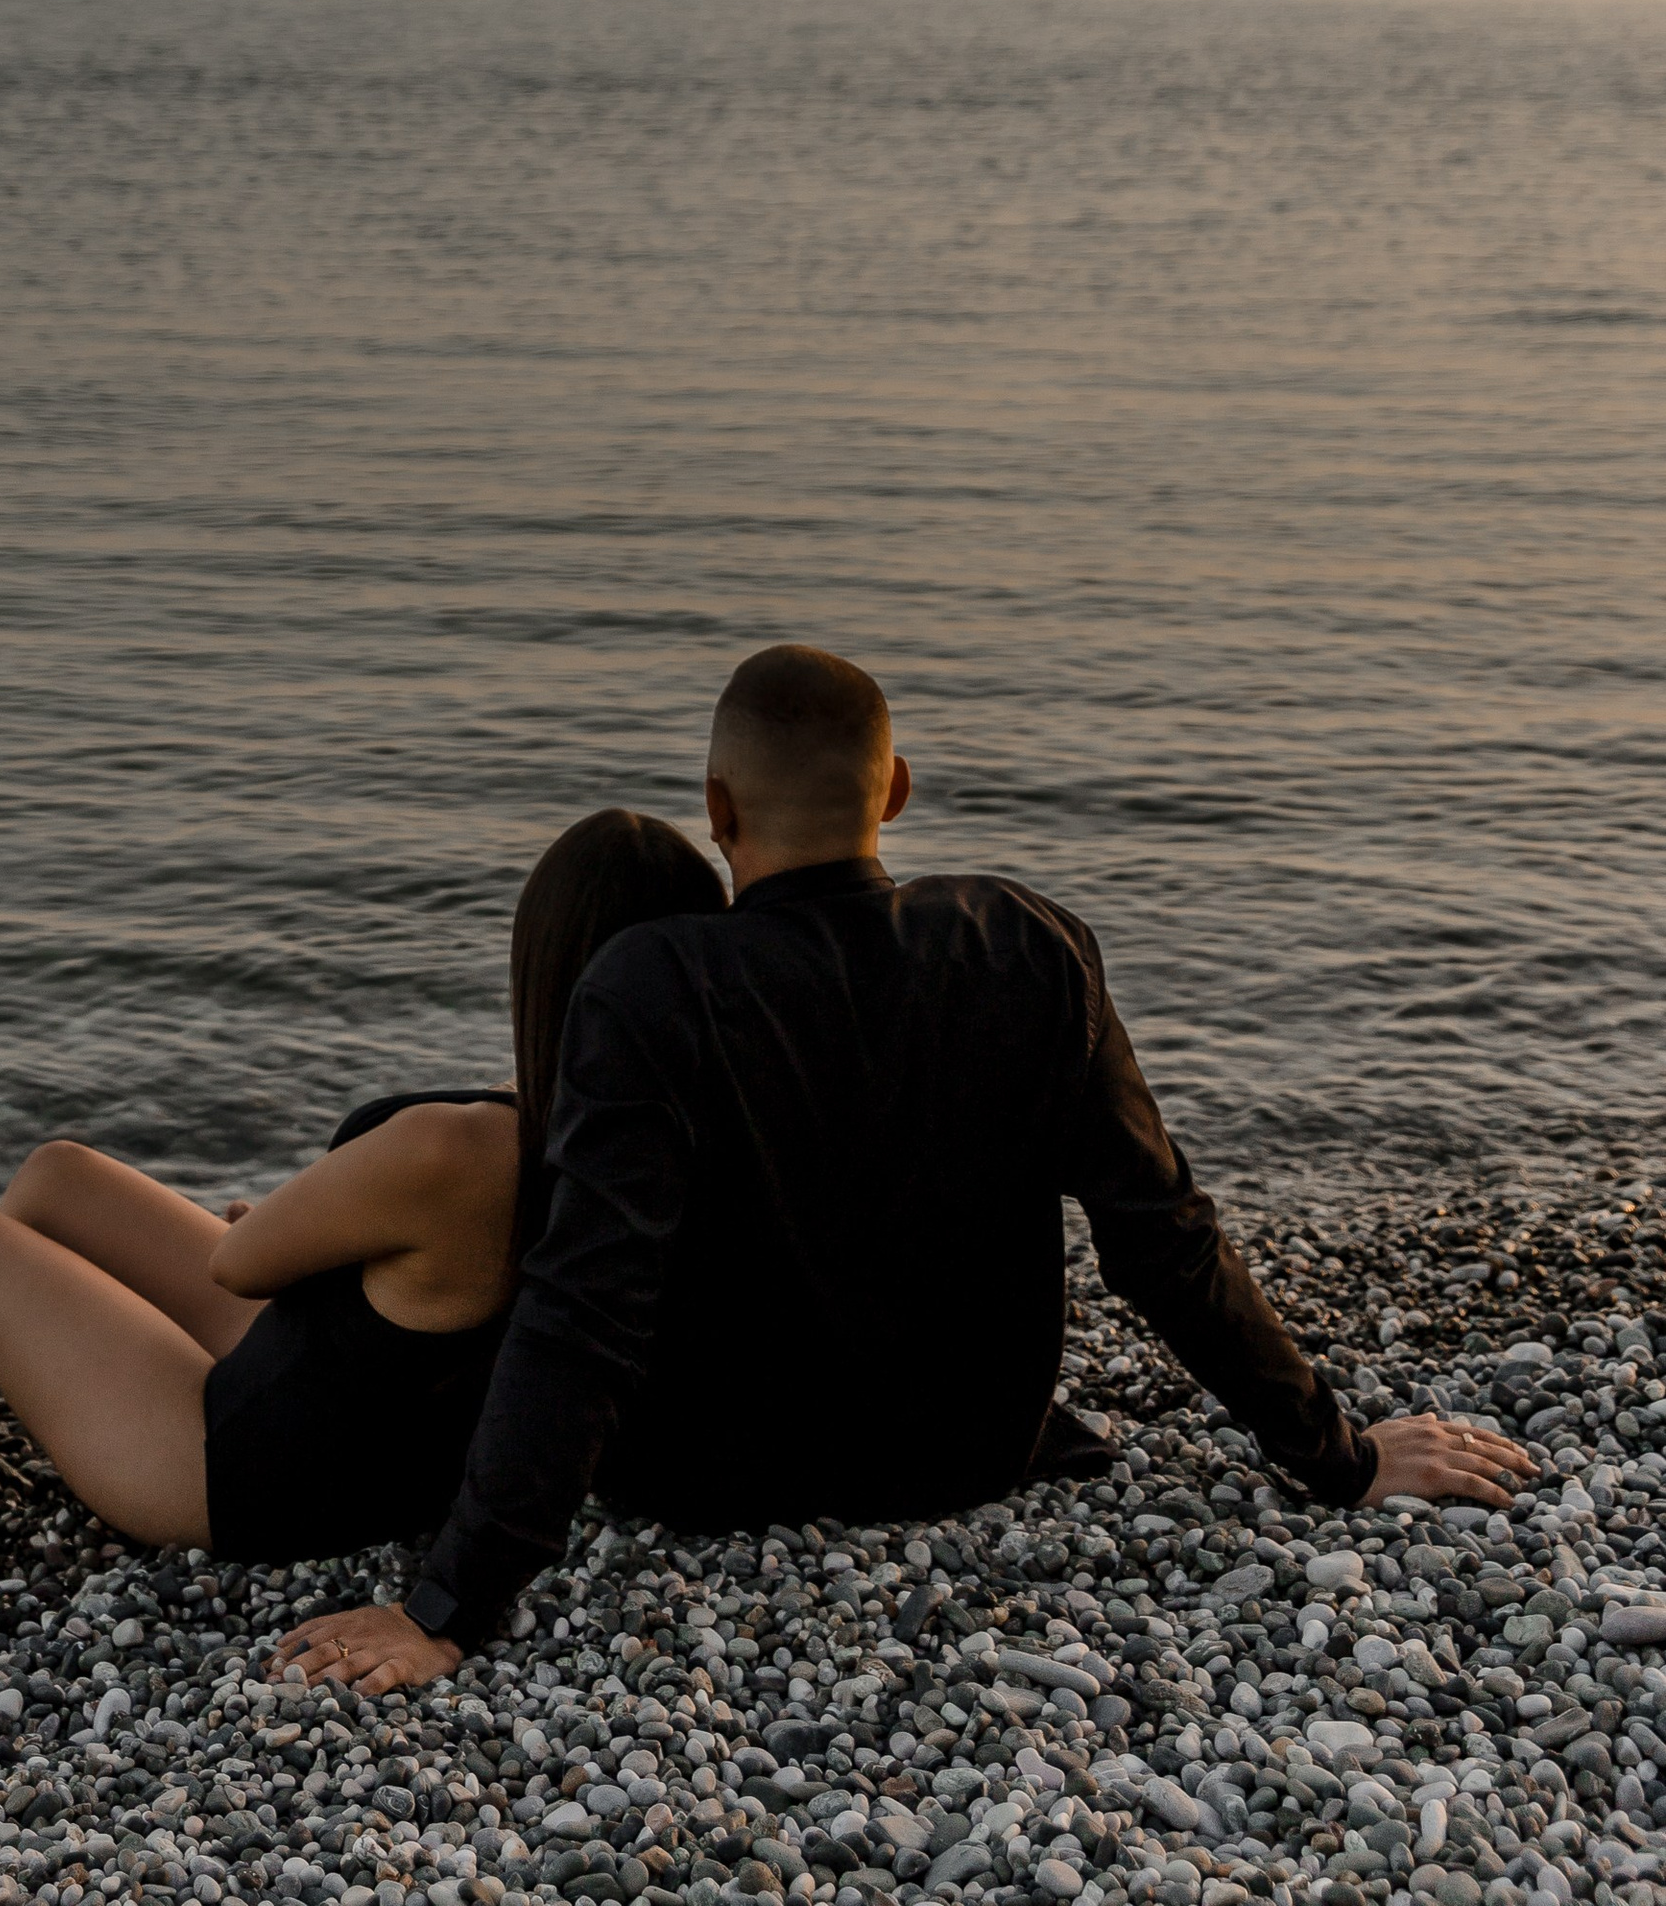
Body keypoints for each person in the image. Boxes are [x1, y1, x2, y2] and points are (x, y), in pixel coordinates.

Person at [278, 646, 1536, 1692]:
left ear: (716, 814)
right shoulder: (1030, 948)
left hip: (715, 1476)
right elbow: (1160, 1232)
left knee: (427, 1172)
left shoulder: (653, 984)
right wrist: (1339, 1456)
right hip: (966, 1450)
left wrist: (447, 1608)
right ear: (898, 792)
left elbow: (586, 1307)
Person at [0, 808, 725, 1560]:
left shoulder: (460, 1148)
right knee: (55, 1182)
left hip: (242, 1467)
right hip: (365, 1417)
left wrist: (302, 1222)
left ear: (539, 956)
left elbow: (241, 1258)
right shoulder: (663, 1139)